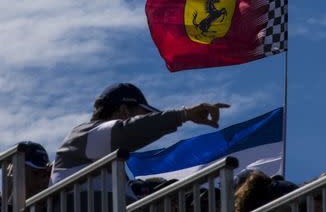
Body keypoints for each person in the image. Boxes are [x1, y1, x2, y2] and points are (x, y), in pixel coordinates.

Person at [50, 82, 229, 188]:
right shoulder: (81, 137)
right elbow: (127, 132)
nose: (148, 121)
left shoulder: (109, 164)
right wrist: (184, 115)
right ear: (124, 111)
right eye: (144, 115)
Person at [1, 141, 51, 211]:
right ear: (12, 173)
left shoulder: (55, 203)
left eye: (45, 175)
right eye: (35, 174)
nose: (42, 181)